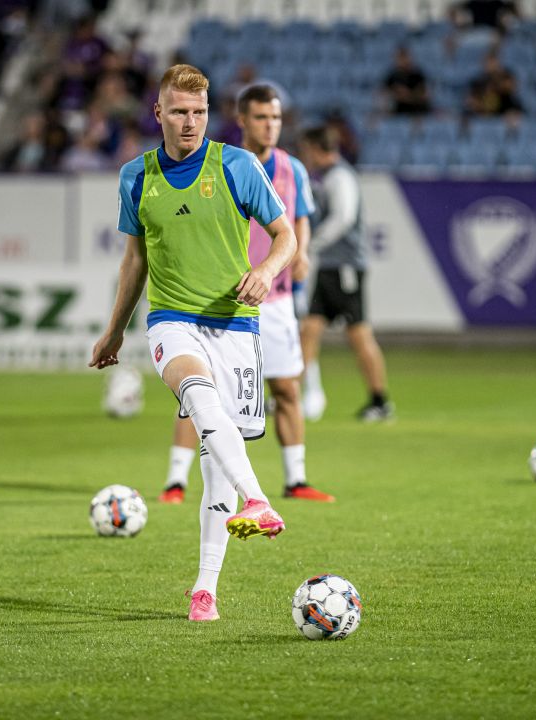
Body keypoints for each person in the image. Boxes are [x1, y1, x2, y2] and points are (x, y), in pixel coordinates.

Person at [89, 64, 298, 622]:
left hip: (236, 326)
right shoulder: (136, 176)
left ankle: (205, 589)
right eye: (179, 112)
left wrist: (266, 271)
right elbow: (135, 260)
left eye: (200, 112)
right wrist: (115, 329)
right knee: (195, 392)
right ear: (158, 112)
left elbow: (286, 236)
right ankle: (259, 498)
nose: (190, 122)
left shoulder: (236, 165)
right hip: (171, 319)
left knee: (215, 463)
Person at [158, 84, 334, 506]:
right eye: (261, 118)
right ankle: (176, 481)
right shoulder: (222, 165)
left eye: (275, 118)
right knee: (200, 395)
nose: (270, 126)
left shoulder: (292, 169)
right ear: (242, 121)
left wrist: (302, 253)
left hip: (273, 300)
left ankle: (296, 479)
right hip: (220, 302)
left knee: (286, 388)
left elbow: (299, 220)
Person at [298, 125, 392, 423]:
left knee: (359, 334)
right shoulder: (329, 176)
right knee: (309, 330)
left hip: (345, 267)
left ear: (316, 148)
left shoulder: (340, 176)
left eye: (307, 149)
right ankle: (290, 395)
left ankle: (380, 400)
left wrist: (310, 244)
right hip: (331, 266)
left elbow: (343, 218)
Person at [382, 47, 430, 116]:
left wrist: (406, 95)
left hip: (416, 110)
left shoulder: (418, 75)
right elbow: (384, 95)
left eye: (405, 57)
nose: (403, 61)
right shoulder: (391, 76)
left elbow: (424, 95)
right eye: (400, 58)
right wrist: (397, 94)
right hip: (397, 111)